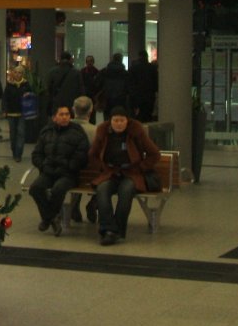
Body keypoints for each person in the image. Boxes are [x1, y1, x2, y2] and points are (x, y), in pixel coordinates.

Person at [88, 106, 160, 245]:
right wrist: (102, 168)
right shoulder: (103, 131)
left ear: (127, 121)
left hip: (132, 173)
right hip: (110, 172)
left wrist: (141, 167)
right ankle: (108, 228)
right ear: (110, 121)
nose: (119, 123)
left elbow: (155, 154)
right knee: (102, 190)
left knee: (126, 192)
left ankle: (117, 231)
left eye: (122, 120)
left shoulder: (136, 131)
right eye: (116, 120)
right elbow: (92, 155)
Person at [29, 105, 89, 236]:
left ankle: (47, 218)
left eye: (67, 114)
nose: (65, 117)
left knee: (58, 189)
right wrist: (43, 165)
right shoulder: (46, 132)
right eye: (61, 114)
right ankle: (52, 218)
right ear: (54, 117)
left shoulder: (77, 132)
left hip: (68, 173)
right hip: (48, 171)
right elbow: (36, 154)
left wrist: (69, 166)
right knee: (35, 188)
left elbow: (82, 154)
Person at [70, 96, 97, 223]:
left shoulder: (65, 129)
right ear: (91, 111)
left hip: (70, 172)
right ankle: (93, 203)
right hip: (92, 175)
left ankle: (73, 205)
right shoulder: (96, 131)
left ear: (73, 110)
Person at [2, 65, 31, 162]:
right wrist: (4, 111)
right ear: (13, 73)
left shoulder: (26, 85)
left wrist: (29, 95)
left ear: (22, 74)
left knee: (21, 133)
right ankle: (14, 151)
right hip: (11, 113)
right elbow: (5, 99)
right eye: (16, 72)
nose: (18, 74)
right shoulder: (9, 85)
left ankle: (18, 154)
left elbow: (32, 97)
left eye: (20, 73)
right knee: (13, 134)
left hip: (22, 113)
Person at [46, 51, 84, 116]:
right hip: (72, 105)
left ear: (60, 59)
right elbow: (81, 90)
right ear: (70, 60)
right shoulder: (76, 73)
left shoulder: (52, 72)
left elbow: (49, 89)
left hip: (57, 104)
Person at [94, 53, 129, 120]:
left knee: (107, 118)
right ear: (121, 60)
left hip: (107, 99)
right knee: (120, 117)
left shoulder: (105, 71)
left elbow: (97, 84)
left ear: (112, 59)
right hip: (121, 99)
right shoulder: (125, 73)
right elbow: (129, 87)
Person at [127, 50, 158, 122]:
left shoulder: (133, 68)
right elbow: (156, 83)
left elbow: (130, 83)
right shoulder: (152, 68)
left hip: (137, 97)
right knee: (148, 116)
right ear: (147, 57)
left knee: (138, 117)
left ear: (139, 57)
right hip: (149, 96)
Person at [80, 55, 100, 125]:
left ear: (93, 62)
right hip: (84, 96)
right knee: (84, 114)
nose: (89, 63)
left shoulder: (97, 72)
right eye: (88, 61)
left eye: (91, 61)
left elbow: (98, 86)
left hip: (93, 97)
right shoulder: (82, 72)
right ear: (86, 62)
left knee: (92, 115)